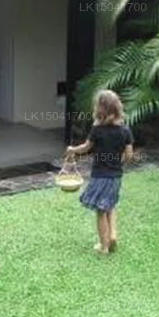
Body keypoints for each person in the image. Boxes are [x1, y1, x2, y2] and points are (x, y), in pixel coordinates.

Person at [66, 90, 134, 254]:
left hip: (99, 176)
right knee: (111, 204)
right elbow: (129, 155)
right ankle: (113, 235)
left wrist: (72, 149)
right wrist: (119, 163)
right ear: (117, 108)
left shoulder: (97, 130)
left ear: (100, 109)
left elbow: (86, 148)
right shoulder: (125, 130)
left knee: (100, 210)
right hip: (116, 176)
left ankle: (104, 246)